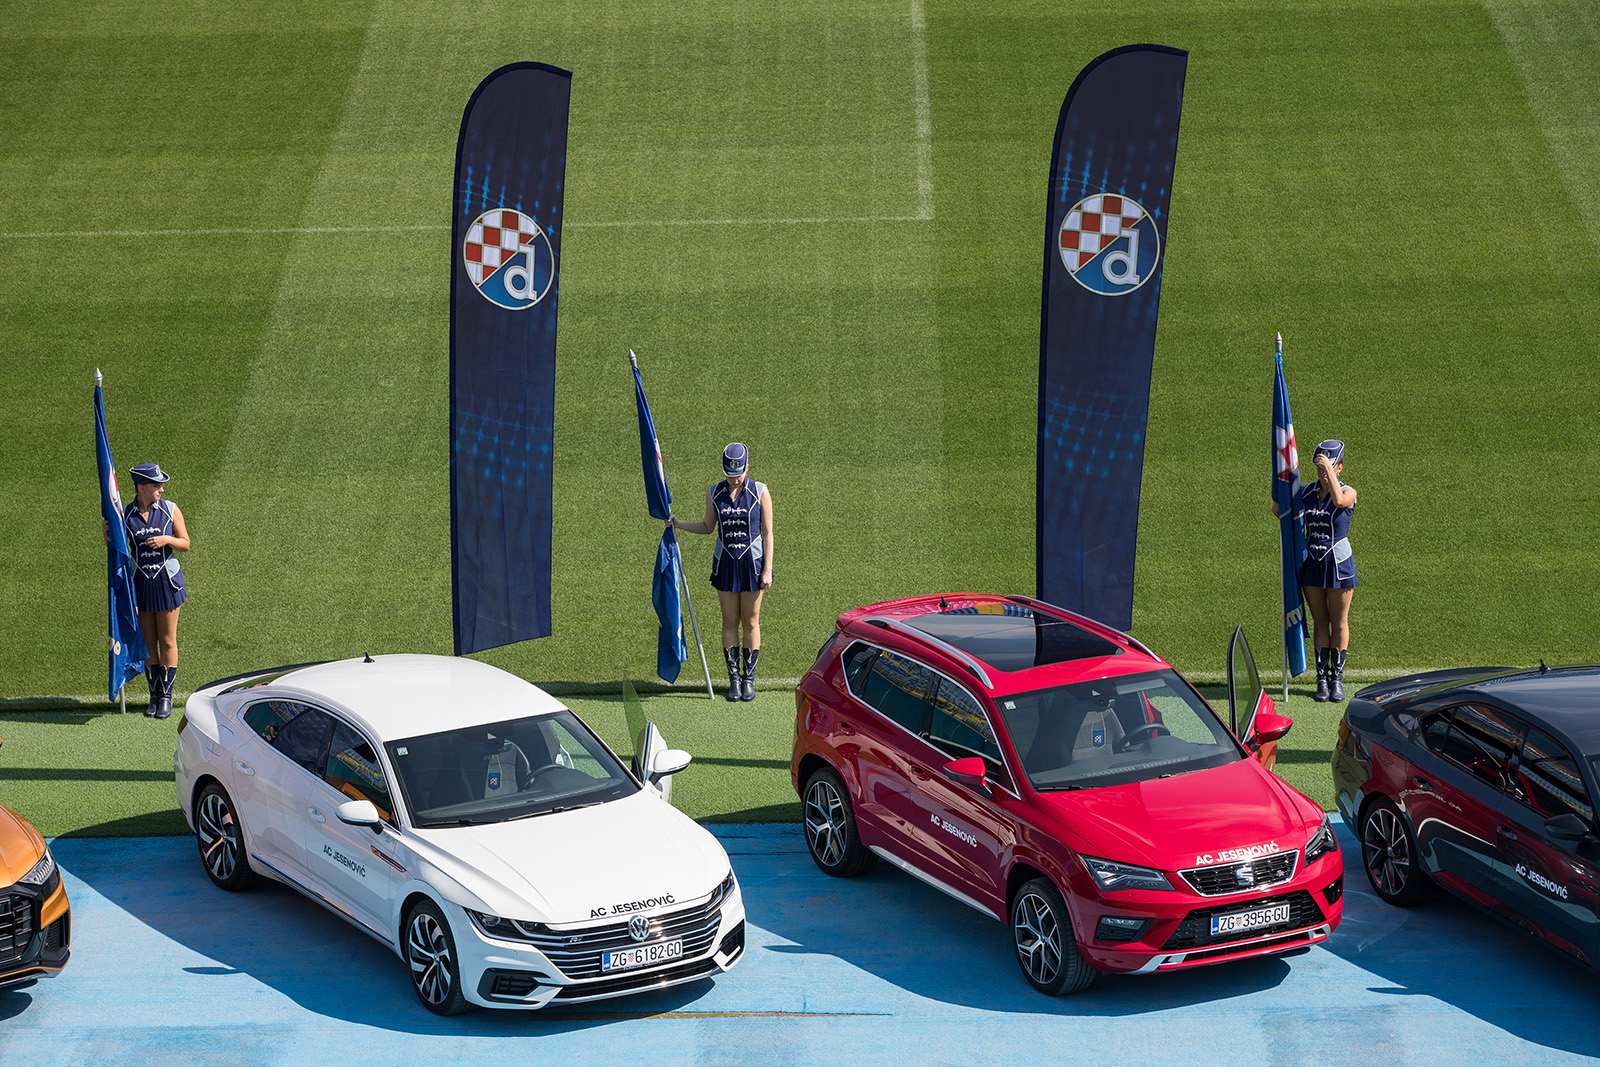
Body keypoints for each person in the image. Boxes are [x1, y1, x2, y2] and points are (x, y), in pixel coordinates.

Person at [668, 443, 773, 702]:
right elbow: (707, 526)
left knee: (750, 622)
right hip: (725, 564)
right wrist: (679, 524)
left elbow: (768, 533)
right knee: (729, 621)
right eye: (729, 474)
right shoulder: (714, 492)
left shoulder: (760, 491)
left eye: (738, 473)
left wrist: (768, 569)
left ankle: (749, 679)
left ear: (747, 467)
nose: (734, 478)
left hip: (752, 565)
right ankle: (734, 679)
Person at [1275, 440, 1358, 702]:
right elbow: (1279, 510)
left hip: (1339, 565)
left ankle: (1337, 679)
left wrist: (1329, 473)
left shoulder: (1348, 491)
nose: (1322, 473)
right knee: (1320, 622)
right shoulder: (1307, 492)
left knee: (1339, 622)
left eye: (1328, 467)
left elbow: (1339, 501)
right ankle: (1321, 679)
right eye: (1319, 468)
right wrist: (1280, 485)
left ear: (1340, 467)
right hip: (1312, 562)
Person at [124, 463, 189, 718]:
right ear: (142, 488)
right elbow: (116, 547)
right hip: (140, 583)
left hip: (167, 583)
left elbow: (185, 543)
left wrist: (167, 539)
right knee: (148, 642)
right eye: (156, 485)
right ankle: (154, 694)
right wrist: (107, 532)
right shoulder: (125, 514)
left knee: (167, 640)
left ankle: (166, 697)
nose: (161, 490)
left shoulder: (170, 509)